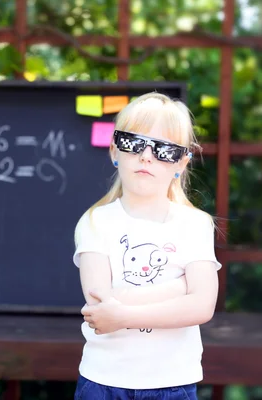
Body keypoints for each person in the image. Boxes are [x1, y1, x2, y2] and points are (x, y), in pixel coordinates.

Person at [72, 92, 222, 400]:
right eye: (134, 143)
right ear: (115, 150)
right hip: (103, 381)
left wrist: (124, 316)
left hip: (172, 383)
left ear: (181, 162)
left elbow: (202, 306)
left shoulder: (195, 224)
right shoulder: (95, 222)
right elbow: (100, 307)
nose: (147, 156)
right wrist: (179, 288)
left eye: (164, 149)